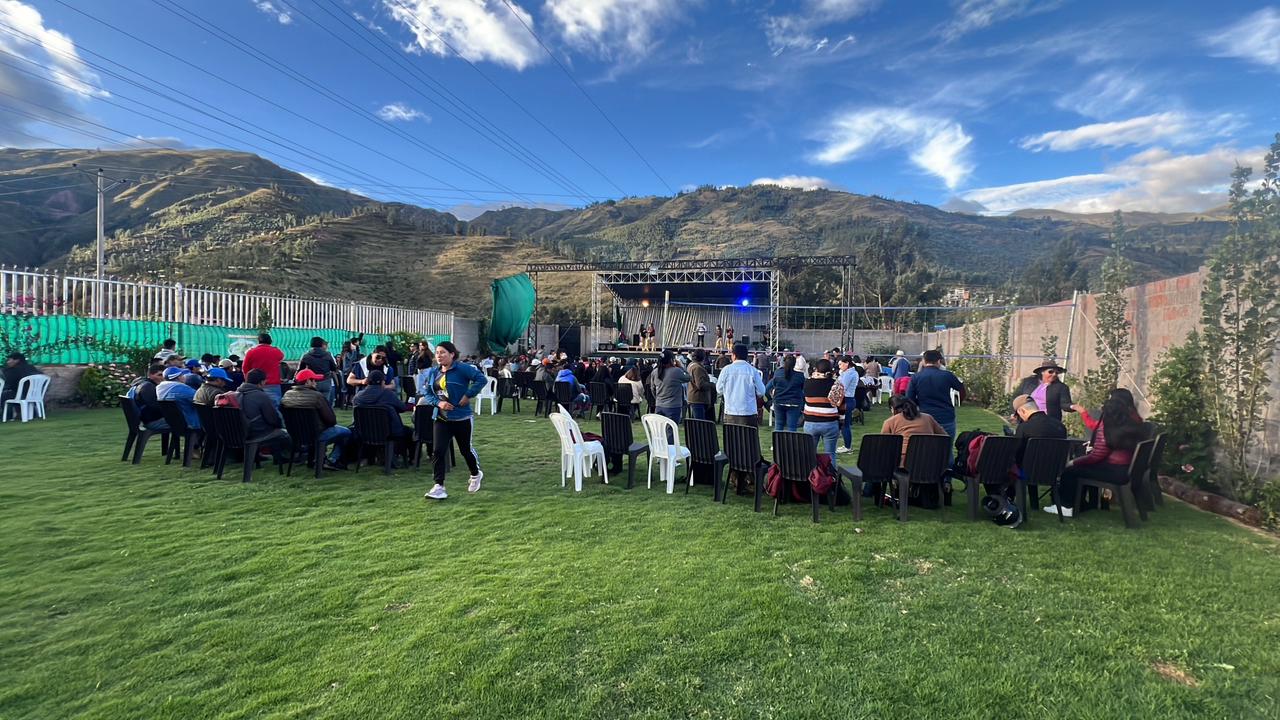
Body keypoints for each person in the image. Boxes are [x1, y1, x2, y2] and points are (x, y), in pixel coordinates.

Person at [1046, 389, 1147, 518]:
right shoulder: (1133, 420)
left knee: (1071, 471)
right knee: (1082, 467)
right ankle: (1084, 504)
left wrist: (1074, 462)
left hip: (1115, 470)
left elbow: (1097, 456)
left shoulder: (1110, 424)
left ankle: (1067, 506)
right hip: (1126, 468)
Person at [418, 341, 487, 500]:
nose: (439, 356)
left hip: (461, 417)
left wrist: (468, 395)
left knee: (465, 450)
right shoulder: (434, 372)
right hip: (441, 417)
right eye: (437, 353)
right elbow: (427, 392)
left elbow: (481, 379)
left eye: (443, 352)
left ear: (452, 354)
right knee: (438, 451)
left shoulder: (462, 368)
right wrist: (438, 403)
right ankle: (439, 486)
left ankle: (475, 474)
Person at [283, 368, 351, 469]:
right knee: (346, 432)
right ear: (307, 382)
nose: (316, 383)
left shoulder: (286, 396)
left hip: (295, 435)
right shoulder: (317, 396)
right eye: (314, 380)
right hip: (317, 435)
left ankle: (315, 458)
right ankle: (333, 459)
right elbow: (331, 420)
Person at [906, 349, 965, 443]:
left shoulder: (916, 377)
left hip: (925, 418)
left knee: (926, 448)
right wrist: (959, 401)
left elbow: (909, 399)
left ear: (924, 361)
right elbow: (961, 390)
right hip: (946, 417)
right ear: (938, 361)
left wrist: (919, 403)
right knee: (946, 448)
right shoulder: (947, 375)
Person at [238, 368, 292, 463]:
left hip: (240, 432)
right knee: (282, 432)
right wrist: (280, 425)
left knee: (273, 428)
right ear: (262, 382)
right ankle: (288, 456)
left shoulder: (237, 393)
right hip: (256, 433)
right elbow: (273, 419)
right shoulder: (261, 395)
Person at [881, 396, 946, 467]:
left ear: (892, 409)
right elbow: (945, 437)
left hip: (903, 465)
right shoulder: (928, 418)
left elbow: (883, 445)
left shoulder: (890, 422)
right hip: (930, 463)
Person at [1010, 393, 1068, 466]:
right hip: (1055, 471)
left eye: (1018, 415)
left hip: (1028, 471)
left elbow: (1016, 453)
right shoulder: (1060, 426)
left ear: (1022, 411)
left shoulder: (1024, 427)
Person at [802, 359, 844, 456]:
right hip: (830, 422)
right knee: (830, 455)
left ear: (816, 369)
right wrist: (841, 422)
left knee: (809, 455)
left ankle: (811, 467)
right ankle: (830, 467)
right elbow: (841, 406)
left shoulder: (807, 383)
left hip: (811, 422)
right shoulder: (836, 384)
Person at [717, 343, 766, 427]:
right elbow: (761, 391)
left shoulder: (726, 370)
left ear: (734, 355)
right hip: (748, 412)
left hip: (730, 411)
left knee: (731, 435)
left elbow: (719, 389)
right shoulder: (753, 371)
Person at [242, 333, 285, 406]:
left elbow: (245, 368)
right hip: (273, 384)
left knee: (256, 408)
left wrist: (248, 380)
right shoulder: (276, 351)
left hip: (255, 385)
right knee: (273, 408)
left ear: (258, 341)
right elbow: (281, 357)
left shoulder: (251, 352)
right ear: (270, 341)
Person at [765, 354, 805, 432]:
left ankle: (777, 440)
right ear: (794, 364)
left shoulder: (777, 373)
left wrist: (770, 399)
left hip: (779, 402)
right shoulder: (800, 376)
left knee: (778, 425)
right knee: (792, 427)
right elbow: (803, 390)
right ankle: (791, 440)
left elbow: (767, 389)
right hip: (794, 403)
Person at [649, 350, 690, 426]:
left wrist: (658, 398)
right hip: (673, 406)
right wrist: (681, 367)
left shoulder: (655, 372)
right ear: (671, 360)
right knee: (670, 430)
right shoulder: (676, 371)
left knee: (660, 430)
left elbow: (652, 389)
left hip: (659, 405)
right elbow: (689, 377)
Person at [298, 336, 339, 407]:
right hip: (326, 380)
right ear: (321, 344)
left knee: (313, 403)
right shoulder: (328, 354)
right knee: (325, 403)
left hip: (312, 382)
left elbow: (301, 370)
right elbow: (334, 368)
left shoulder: (306, 356)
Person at [126, 363, 168, 430]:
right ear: (150, 375)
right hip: (152, 422)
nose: (163, 378)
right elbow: (155, 407)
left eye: (164, 375)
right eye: (160, 375)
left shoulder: (141, 383)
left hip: (145, 420)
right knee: (183, 421)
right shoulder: (148, 387)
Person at [2, 352, 42, 418]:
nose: (7, 362)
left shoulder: (14, 370)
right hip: (35, 395)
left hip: (21, 395)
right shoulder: (32, 368)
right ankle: (31, 413)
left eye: (9, 360)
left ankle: (7, 416)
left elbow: (10, 383)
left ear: (16, 360)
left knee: (4, 395)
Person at [836, 356, 862, 454]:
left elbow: (842, 387)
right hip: (848, 399)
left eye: (840, 364)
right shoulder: (850, 372)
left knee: (845, 425)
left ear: (847, 363)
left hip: (846, 400)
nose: (839, 366)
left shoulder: (849, 373)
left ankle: (848, 447)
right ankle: (847, 445)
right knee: (844, 424)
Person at [686, 349, 715, 420]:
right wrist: (712, 385)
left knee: (696, 421)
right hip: (698, 398)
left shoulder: (691, 365)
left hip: (693, 396)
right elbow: (700, 385)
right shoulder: (698, 368)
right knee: (700, 422)